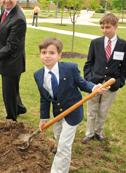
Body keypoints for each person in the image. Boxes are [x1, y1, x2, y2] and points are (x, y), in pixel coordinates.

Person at [34, 37, 108, 173]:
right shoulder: (38, 75)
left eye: (52, 53)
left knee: (63, 145)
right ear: (40, 54)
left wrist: (94, 88)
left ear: (59, 55)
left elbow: (82, 83)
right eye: (44, 52)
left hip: (72, 113)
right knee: (60, 140)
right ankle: (65, 166)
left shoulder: (70, 68)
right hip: (58, 114)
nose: (47, 56)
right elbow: (44, 98)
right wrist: (43, 118)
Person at [82, 13, 126, 143]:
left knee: (103, 110)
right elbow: (89, 63)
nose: (104, 30)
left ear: (116, 26)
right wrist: (89, 79)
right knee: (92, 109)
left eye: (107, 27)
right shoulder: (95, 43)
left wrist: (119, 82)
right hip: (94, 83)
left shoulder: (123, 45)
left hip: (111, 84)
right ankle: (89, 133)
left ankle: (98, 132)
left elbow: (124, 68)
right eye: (102, 27)